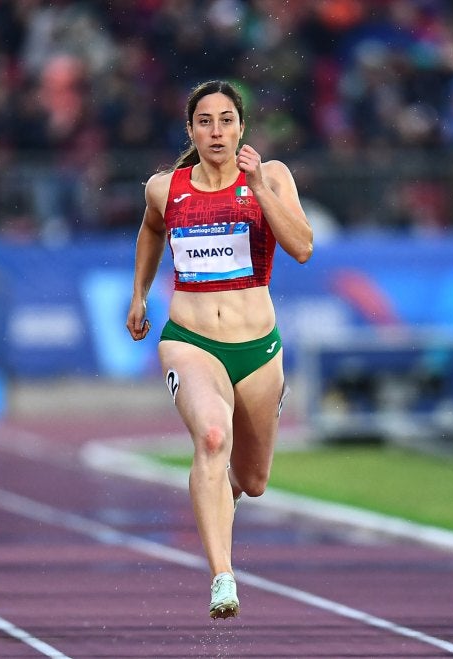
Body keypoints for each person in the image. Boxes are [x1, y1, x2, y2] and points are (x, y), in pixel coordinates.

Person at [125, 80, 313, 619]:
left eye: (226, 120)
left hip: (258, 348)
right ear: (190, 130)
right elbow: (150, 230)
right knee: (212, 437)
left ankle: (217, 502)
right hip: (190, 340)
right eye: (205, 122)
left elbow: (301, 247)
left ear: (241, 128)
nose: (216, 131)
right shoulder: (166, 188)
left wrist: (258, 187)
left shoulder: (272, 176)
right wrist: (139, 294)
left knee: (252, 481)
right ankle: (222, 577)